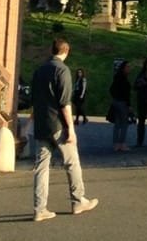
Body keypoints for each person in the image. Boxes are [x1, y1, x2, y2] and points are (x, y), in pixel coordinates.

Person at [30, 36, 98, 222]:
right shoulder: (63, 70)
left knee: (41, 167)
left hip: (41, 124)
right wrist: (71, 128)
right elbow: (64, 103)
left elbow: (34, 98)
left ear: (52, 50)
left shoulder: (39, 70)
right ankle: (78, 200)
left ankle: (39, 208)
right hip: (57, 124)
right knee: (71, 162)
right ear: (66, 51)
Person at [109, 59, 132, 151]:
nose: (129, 69)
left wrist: (115, 97)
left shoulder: (117, 77)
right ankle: (122, 143)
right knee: (124, 124)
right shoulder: (124, 79)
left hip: (116, 101)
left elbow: (111, 89)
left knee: (117, 124)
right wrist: (129, 105)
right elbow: (126, 94)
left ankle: (115, 144)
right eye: (127, 67)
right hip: (122, 102)